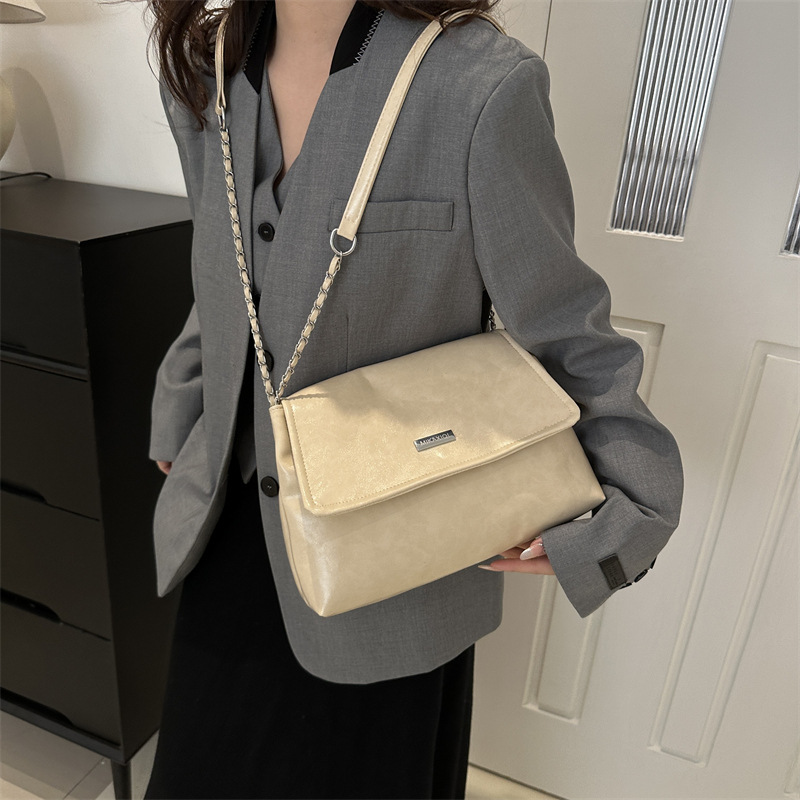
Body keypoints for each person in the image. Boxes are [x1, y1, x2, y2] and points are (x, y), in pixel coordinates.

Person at [142, 1, 684, 797]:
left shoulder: (476, 85)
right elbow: (224, 267)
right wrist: (184, 405)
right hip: (228, 529)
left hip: (392, 564)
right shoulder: (204, 68)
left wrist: (631, 513)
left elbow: (562, 319)